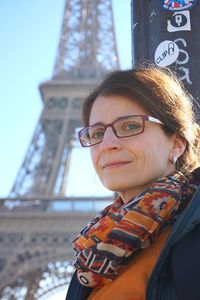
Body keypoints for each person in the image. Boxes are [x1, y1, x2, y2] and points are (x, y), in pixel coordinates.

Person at [66, 65, 200, 300]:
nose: (107, 144)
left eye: (130, 126)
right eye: (97, 133)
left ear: (176, 143)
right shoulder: (94, 252)